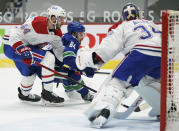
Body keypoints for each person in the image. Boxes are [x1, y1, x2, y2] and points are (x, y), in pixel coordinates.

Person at [76, 3, 161, 128]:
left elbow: (108, 49)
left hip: (140, 53)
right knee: (155, 82)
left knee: (117, 83)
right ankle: (164, 107)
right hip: (163, 56)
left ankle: (104, 109)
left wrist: (92, 59)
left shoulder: (123, 26)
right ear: (139, 14)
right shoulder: (151, 23)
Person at [3, 5, 66, 104]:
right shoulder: (36, 23)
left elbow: (59, 51)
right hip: (12, 45)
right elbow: (15, 32)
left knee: (30, 72)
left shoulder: (57, 34)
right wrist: (22, 48)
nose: (63, 22)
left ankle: (24, 94)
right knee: (48, 58)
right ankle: (47, 94)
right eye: (61, 19)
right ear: (53, 18)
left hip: (27, 48)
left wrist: (70, 64)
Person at [54, 21, 95, 102]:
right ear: (73, 34)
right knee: (73, 74)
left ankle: (69, 91)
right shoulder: (73, 40)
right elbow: (68, 58)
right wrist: (83, 69)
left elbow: (66, 60)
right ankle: (86, 94)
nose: (82, 37)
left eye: (83, 34)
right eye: (80, 34)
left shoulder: (66, 37)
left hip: (51, 66)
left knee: (70, 70)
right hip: (50, 70)